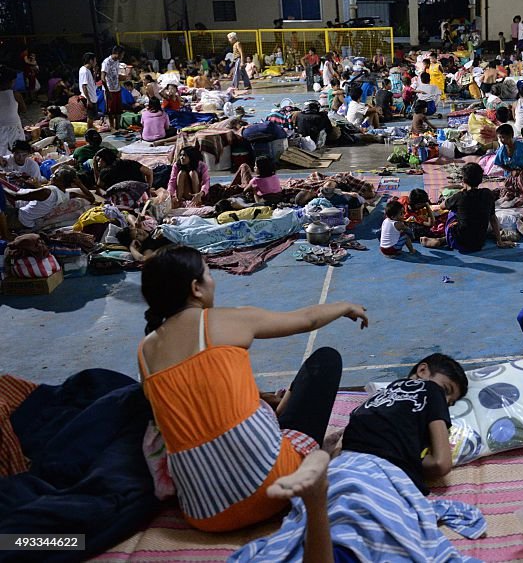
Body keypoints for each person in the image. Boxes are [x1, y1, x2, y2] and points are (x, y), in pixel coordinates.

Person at [137, 246, 363, 532]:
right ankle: (294, 445)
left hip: (204, 515)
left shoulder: (144, 352)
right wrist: (345, 306)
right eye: (209, 274)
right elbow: (307, 319)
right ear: (196, 288)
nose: (213, 281)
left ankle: (275, 417)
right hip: (274, 488)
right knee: (325, 361)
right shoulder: (225, 320)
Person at [342, 353, 466, 495]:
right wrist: (410, 460)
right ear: (422, 371)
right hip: (386, 481)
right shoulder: (432, 390)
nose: (445, 402)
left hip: (342, 470)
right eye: (445, 390)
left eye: (450, 404)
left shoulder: (376, 399)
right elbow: (441, 464)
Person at [420, 162, 514, 252]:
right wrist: (500, 241)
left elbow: (442, 206)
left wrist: (460, 192)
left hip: (459, 243)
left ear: (463, 180)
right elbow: (493, 218)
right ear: (481, 180)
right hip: (479, 243)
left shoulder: (460, 196)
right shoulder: (488, 194)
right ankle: (443, 240)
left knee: (452, 212)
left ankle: (443, 240)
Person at [3, 166, 95, 230]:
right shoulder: (66, 194)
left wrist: (2, 187)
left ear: (62, 181)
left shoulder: (47, 192)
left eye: (56, 175)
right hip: (28, 221)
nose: (51, 176)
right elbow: (91, 199)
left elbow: (15, 196)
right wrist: (79, 184)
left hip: (18, 218)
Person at [495, 123, 523, 206]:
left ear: (511, 135)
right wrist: (511, 171)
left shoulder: (521, 146)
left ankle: (519, 197)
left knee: (522, 182)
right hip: (511, 173)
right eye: (500, 138)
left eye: (503, 137)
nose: (501, 140)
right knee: (509, 185)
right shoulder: (502, 150)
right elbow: (499, 163)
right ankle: (510, 196)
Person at [101, 46, 126, 131]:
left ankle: (117, 127)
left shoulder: (117, 61)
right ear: (117, 53)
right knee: (110, 111)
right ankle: (112, 128)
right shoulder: (106, 62)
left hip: (117, 88)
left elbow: (116, 74)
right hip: (109, 90)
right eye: (122, 55)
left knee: (118, 110)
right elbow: (103, 78)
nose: (122, 57)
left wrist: (121, 77)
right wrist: (107, 91)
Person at [78, 52, 99, 122]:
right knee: (90, 117)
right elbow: (84, 86)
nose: (95, 63)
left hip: (92, 97)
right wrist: (88, 100)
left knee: (92, 118)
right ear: (91, 61)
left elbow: (92, 83)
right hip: (89, 98)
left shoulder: (88, 71)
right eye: (95, 60)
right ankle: (90, 131)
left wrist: (95, 73)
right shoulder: (84, 71)